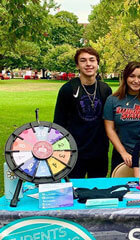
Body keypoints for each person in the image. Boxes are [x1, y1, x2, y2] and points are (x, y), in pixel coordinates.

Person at [53, 47, 112, 178]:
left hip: (99, 153)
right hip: (74, 152)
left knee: (97, 192)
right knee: (74, 193)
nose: (88, 64)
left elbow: (110, 121)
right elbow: (58, 123)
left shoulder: (105, 89)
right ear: (77, 65)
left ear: (97, 63)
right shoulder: (67, 89)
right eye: (83, 60)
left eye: (92, 60)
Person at [103, 62, 140, 171]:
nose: (136, 80)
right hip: (122, 154)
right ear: (125, 77)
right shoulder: (112, 100)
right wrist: (123, 153)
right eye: (132, 76)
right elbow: (109, 129)